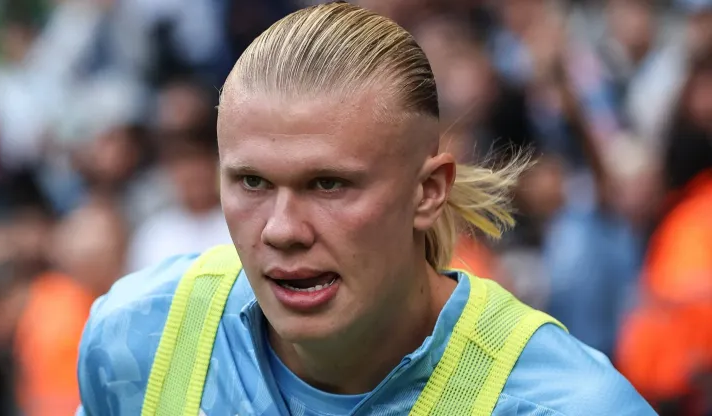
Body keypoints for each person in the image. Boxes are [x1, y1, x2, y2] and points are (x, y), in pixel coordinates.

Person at [76, 3, 655, 415]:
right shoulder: (135, 338)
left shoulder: (568, 404)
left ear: (427, 192)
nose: (281, 230)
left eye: (329, 185)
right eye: (251, 181)